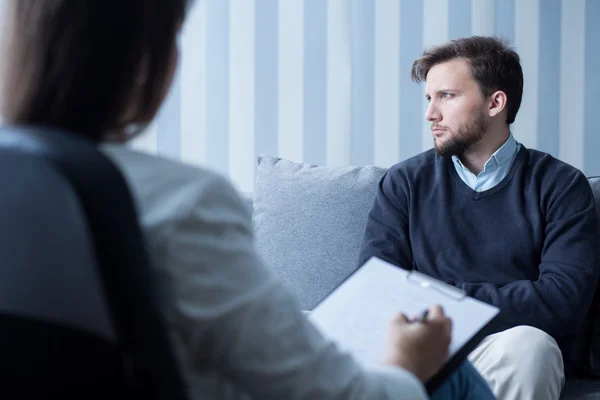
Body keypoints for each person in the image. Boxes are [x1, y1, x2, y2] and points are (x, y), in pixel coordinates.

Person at [0, 1, 495, 399]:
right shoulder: (185, 202)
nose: (431, 111)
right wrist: (406, 366)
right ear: (150, 61)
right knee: (449, 375)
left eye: (445, 96)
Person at [357, 35, 600, 400]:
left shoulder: (561, 186)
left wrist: (438, 297)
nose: (430, 114)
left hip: (508, 345)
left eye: (447, 96)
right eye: (429, 98)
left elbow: (561, 301)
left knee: (531, 347)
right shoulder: (404, 183)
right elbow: (378, 290)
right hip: (423, 350)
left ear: (495, 102)